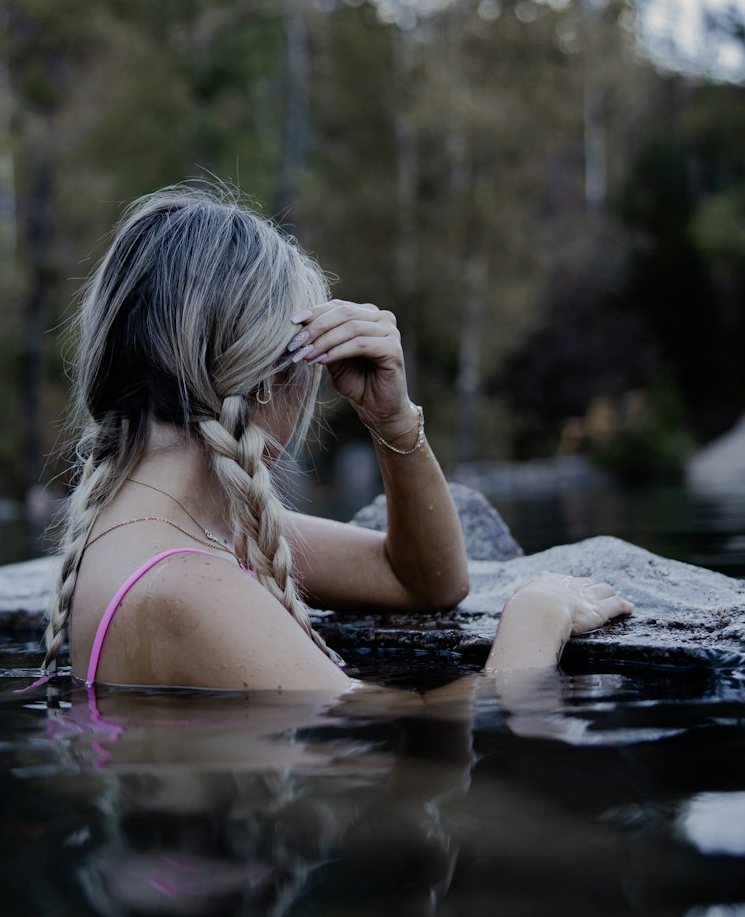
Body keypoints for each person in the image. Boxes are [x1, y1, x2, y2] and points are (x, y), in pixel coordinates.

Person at [38, 186, 631, 692]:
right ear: (271, 379)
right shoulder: (189, 582)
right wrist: (535, 618)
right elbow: (415, 737)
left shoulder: (175, 531)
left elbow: (425, 582)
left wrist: (393, 420)